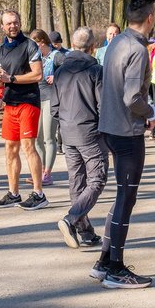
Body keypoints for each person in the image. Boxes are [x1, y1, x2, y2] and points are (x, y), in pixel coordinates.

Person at [94, 0, 155, 289]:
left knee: (122, 195)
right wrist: (151, 111)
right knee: (126, 197)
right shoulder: (137, 48)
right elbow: (132, 97)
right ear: (150, 17)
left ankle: (104, 261)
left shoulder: (117, 42)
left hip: (109, 126)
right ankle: (115, 269)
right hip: (126, 131)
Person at [52, 27, 106, 249]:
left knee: (77, 181)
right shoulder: (96, 71)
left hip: (67, 131)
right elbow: (103, 106)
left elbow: (54, 107)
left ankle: (85, 232)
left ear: (73, 45)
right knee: (96, 179)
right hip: (90, 132)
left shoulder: (60, 71)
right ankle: (71, 218)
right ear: (93, 47)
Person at [0, 10, 47, 210]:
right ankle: (13, 194)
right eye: (8, 23)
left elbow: (38, 75)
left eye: (15, 22)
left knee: (28, 147)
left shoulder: (29, 45)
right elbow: (0, 77)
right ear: (2, 26)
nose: (12, 26)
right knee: (10, 148)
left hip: (28, 102)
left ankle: (39, 194)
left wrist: (11, 79)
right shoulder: (0, 49)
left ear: (20, 23)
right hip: (10, 103)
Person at [30, 29, 65, 186]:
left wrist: (57, 77)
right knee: (37, 138)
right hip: (37, 99)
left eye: (35, 44)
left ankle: (47, 174)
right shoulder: (34, 58)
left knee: (49, 137)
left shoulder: (56, 56)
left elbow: (70, 70)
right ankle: (40, 171)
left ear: (42, 42)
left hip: (51, 99)